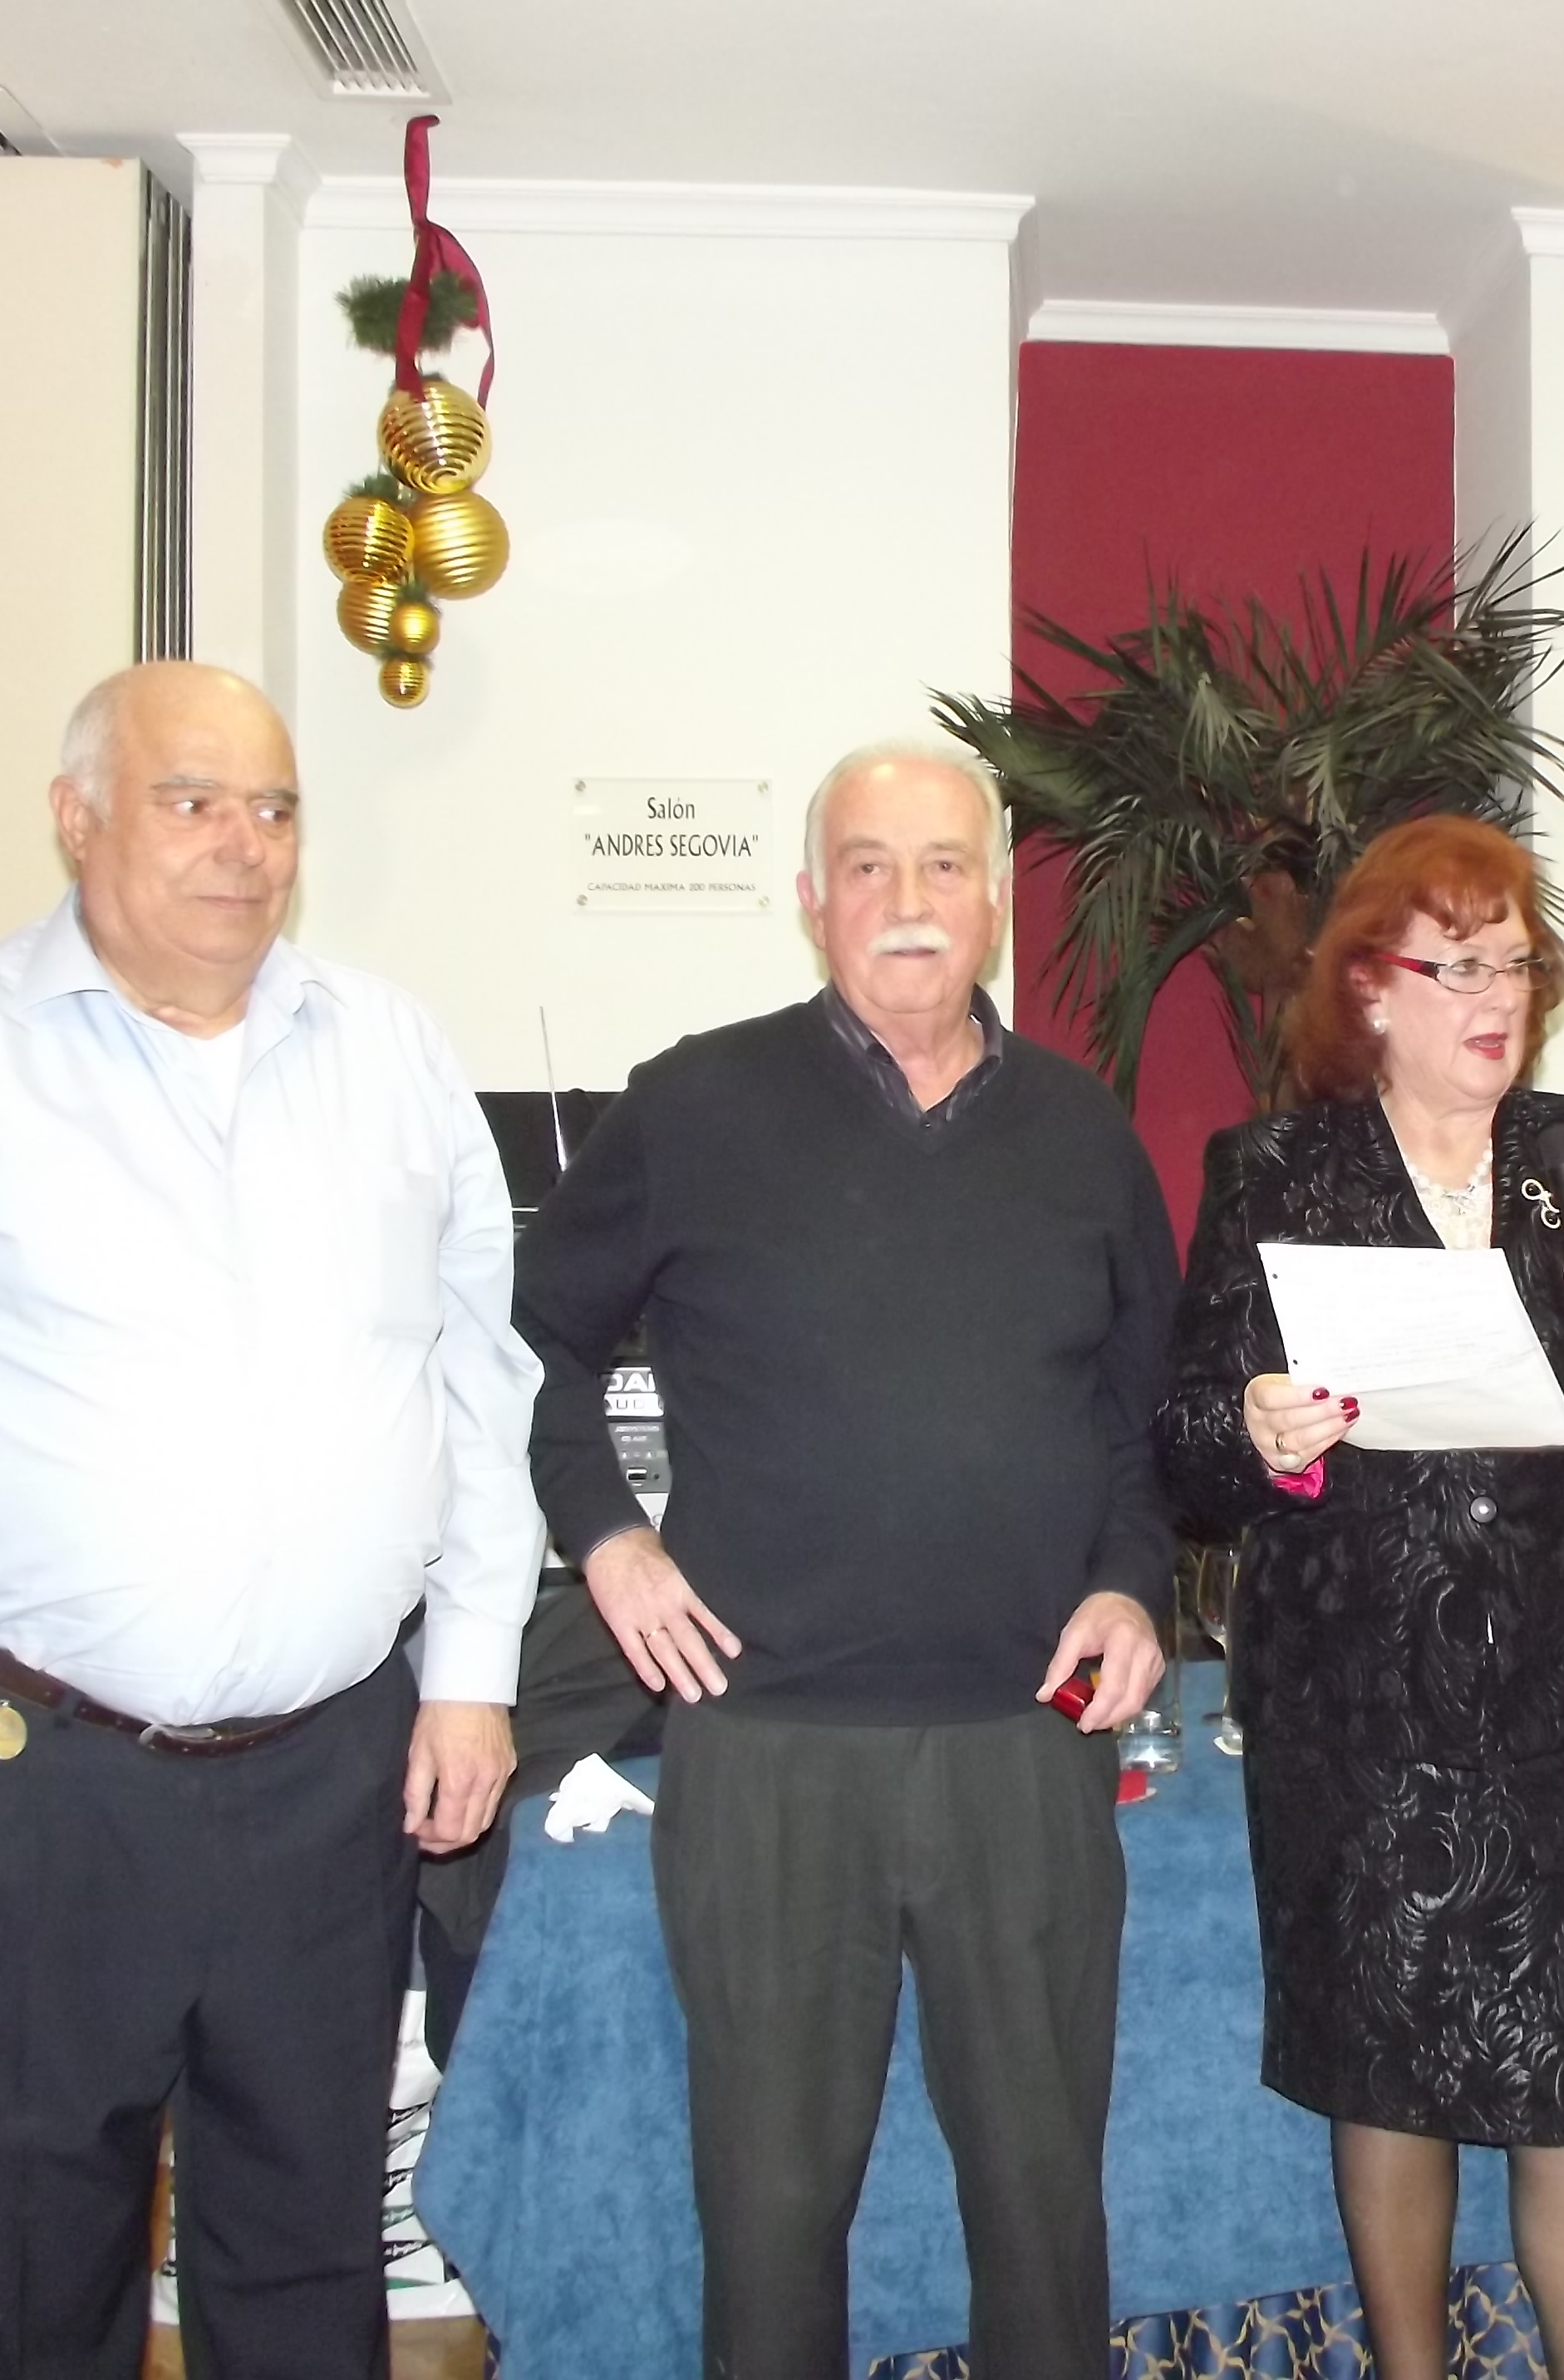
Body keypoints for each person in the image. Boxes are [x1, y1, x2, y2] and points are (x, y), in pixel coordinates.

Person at [0, 661, 543, 2380]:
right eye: (192, 801)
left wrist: (469, 1667)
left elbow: (479, 1376)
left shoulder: (387, 1053)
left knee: (309, 2254)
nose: (243, 844)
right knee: (29, 2274)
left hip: (330, 1776)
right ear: (76, 818)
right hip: (42, 1785)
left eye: (275, 808)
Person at [512, 740, 1177, 2380]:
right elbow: (531, 1344)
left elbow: (1135, 1418)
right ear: (811, 900)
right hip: (768, 1753)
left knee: (1043, 2215)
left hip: (1028, 1745)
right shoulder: (692, 1106)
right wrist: (605, 1535)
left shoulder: (1083, 1132)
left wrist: (1129, 1580)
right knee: (769, 2219)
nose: (907, 899)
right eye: (868, 866)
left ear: (992, 902)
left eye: (943, 864)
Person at [1156, 816, 1564, 2380]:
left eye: (1517, 964)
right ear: (1370, 987)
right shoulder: (1276, 1173)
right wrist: (1258, 1429)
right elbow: (1185, 1443)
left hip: (1562, 1714)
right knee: (1388, 2092)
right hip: (1356, 1721)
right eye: (1459, 966)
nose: (1498, 997)